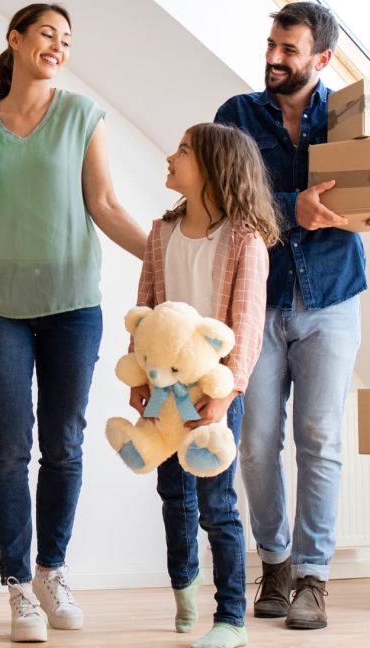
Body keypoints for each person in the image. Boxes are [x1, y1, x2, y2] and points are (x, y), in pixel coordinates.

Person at [0, 2, 146, 643]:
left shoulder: (83, 115)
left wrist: (161, 257)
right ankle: (18, 587)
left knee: (64, 444)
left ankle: (52, 571)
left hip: (72, 303)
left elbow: (103, 204)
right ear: (16, 40)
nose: (58, 46)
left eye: (67, 39)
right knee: (7, 445)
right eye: (48, 35)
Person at [215, 1, 366, 630]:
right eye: (272, 45)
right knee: (253, 443)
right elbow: (221, 198)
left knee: (322, 440)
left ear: (323, 58)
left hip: (331, 297)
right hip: (259, 298)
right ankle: (274, 562)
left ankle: (313, 577)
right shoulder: (237, 115)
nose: (274, 58)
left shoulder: (352, 118)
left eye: (290, 50)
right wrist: (289, 207)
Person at [129, 123, 278, 648]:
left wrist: (227, 392)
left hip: (215, 392)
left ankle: (232, 618)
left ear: (215, 168)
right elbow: (144, 311)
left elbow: (249, 325)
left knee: (217, 504)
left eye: (184, 150)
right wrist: (136, 373)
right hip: (163, 387)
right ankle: (183, 582)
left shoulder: (245, 240)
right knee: (173, 492)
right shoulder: (160, 233)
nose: (170, 156)